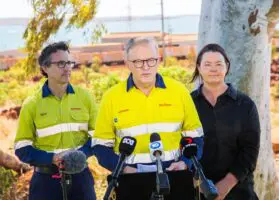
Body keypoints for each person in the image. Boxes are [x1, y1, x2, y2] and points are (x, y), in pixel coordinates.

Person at [92, 37, 204, 175]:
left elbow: (196, 138)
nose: (146, 67)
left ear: (159, 60)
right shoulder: (111, 97)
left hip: (174, 174)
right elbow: (100, 146)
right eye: (138, 61)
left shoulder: (179, 92)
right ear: (128, 64)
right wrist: (123, 169)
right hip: (130, 177)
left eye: (151, 60)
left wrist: (185, 163)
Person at [14, 42, 97, 200]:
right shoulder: (32, 105)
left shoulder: (85, 98)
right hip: (45, 184)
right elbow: (21, 148)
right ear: (45, 68)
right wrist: (52, 158)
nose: (67, 68)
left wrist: (78, 156)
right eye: (60, 63)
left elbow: (99, 137)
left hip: (81, 180)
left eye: (69, 62)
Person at [190, 43, 260, 200]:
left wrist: (226, 185)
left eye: (218, 64)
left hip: (238, 190)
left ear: (227, 67)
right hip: (198, 191)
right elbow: (181, 146)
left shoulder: (245, 104)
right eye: (207, 64)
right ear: (199, 68)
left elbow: (250, 151)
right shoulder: (188, 104)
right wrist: (197, 181)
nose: (213, 69)